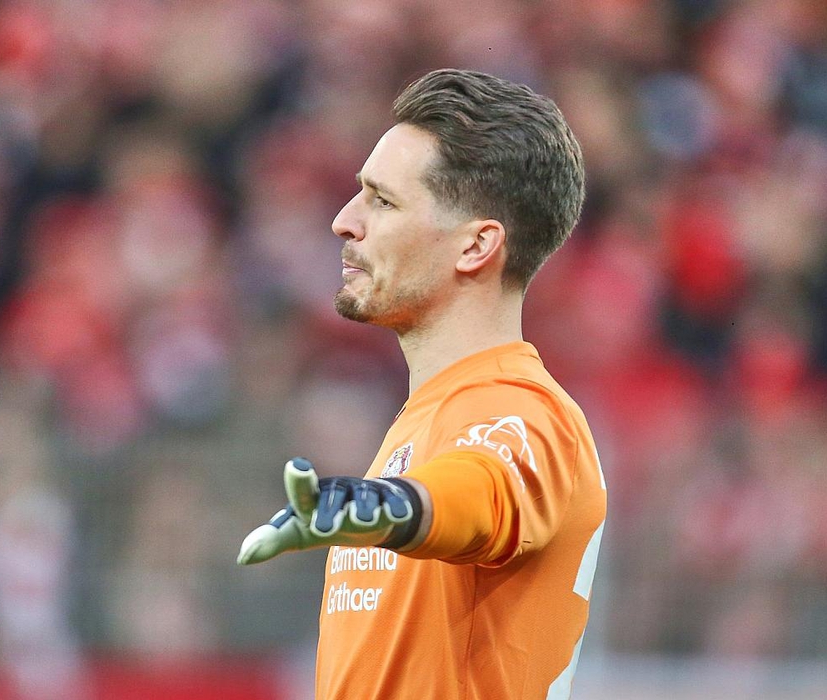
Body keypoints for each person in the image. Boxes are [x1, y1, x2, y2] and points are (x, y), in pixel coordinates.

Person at [238, 68, 607, 700]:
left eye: (382, 202)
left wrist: (387, 507)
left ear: (476, 247)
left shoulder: (526, 410)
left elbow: (481, 494)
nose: (344, 221)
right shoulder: (428, 417)